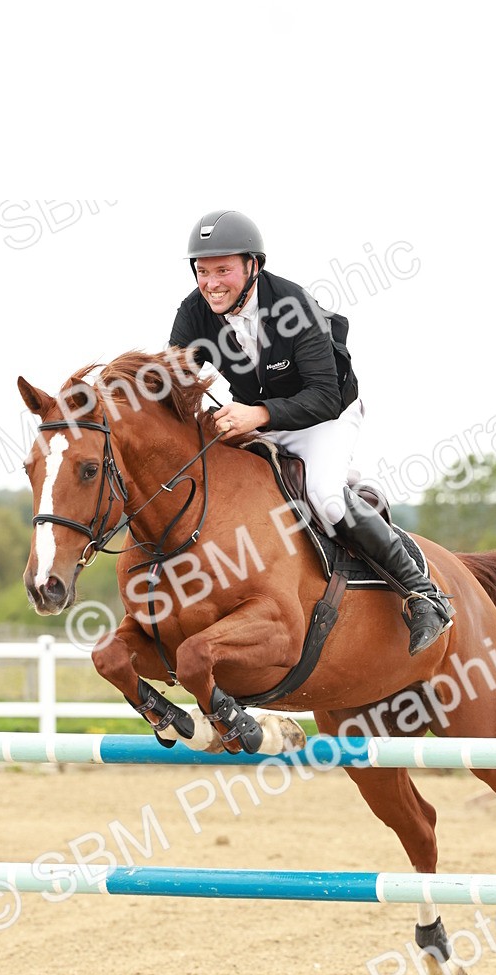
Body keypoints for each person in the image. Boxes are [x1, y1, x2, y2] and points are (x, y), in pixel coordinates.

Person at [169, 209, 455, 656]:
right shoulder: (194, 312)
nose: (211, 283)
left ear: (253, 266)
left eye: (223, 270)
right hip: (257, 418)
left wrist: (257, 415)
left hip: (326, 417)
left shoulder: (294, 306)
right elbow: (173, 382)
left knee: (325, 496)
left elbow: (323, 396)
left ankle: (424, 594)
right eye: (202, 272)